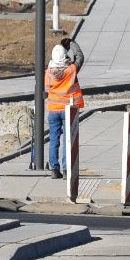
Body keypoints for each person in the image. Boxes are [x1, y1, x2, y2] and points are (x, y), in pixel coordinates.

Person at [44, 41, 84, 179]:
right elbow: (80, 57)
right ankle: (67, 169)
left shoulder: (48, 72)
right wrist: (71, 44)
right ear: (65, 58)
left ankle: (54, 170)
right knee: (68, 139)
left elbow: (47, 89)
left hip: (53, 110)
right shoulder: (71, 70)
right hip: (69, 110)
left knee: (54, 140)